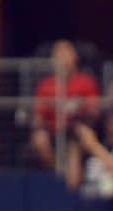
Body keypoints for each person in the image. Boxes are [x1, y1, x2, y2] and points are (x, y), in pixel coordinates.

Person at [30, 39, 101, 172]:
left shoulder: (86, 81)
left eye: (66, 52)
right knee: (39, 139)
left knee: (81, 137)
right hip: (53, 130)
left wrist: (79, 112)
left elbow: (93, 110)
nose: (63, 57)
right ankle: (59, 173)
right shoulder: (45, 85)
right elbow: (38, 114)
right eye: (58, 53)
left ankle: (71, 178)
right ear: (52, 59)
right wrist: (39, 128)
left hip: (76, 129)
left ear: (75, 57)